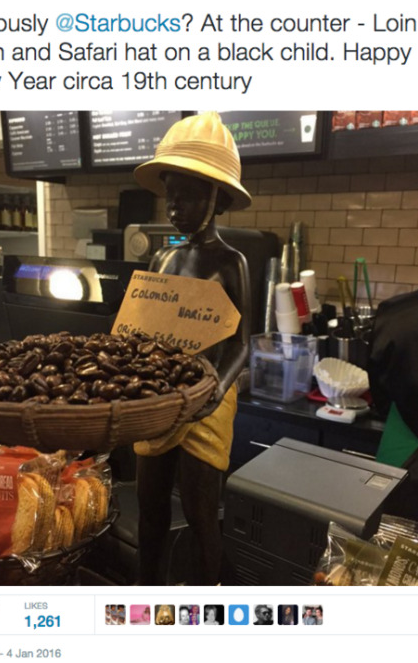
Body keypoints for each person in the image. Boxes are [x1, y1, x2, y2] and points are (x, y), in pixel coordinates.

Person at [132, 112, 252, 586]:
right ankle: (145, 594)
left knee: (203, 513)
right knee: (150, 507)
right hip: (160, 401)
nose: (175, 205)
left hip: (208, 405)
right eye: (171, 193)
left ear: (216, 199)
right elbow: (143, 332)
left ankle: (209, 601)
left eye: (188, 193)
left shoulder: (232, 262)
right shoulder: (163, 258)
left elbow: (242, 345)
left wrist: (216, 391)